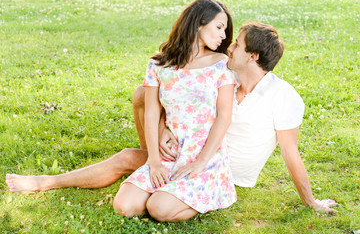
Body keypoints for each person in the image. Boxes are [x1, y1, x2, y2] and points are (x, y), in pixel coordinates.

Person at [5, 20, 337, 214]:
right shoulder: (224, 75)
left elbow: (291, 154)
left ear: (252, 56)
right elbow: (165, 91)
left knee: (126, 161)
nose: (228, 48)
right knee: (141, 96)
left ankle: (51, 182)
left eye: (236, 45)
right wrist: (162, 128)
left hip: (220, 169)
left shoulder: (283, 97)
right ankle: (151, 159)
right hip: (186, 151)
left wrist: (312, 202)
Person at [113, 0, 237, 222]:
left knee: (158, 208)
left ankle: (212, 192)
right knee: (124, 206)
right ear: (199, 23)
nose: (223, 35)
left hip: (204, 155)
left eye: (224, 30)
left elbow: (224, 117)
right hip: (169, 152)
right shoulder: (159, 65)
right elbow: (151, 113)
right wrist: (154, 161)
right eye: (219, 27)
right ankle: (165, 192)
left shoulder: (221, 64)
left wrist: (200, 163)